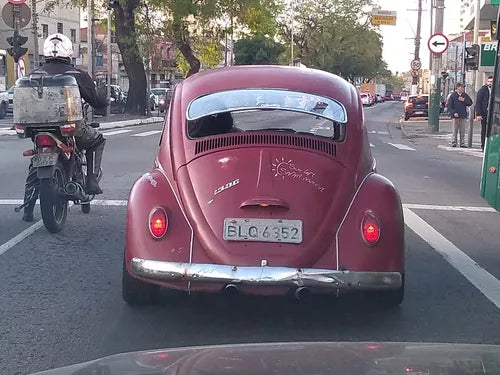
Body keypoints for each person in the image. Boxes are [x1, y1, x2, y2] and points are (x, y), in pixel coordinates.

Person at [22, 33, 108, 222]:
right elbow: (96, 101)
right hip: (71, 128)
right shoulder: (77, 75)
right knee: (97, 141)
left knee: (37, 157)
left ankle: (27, 207)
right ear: (69, 51)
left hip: (37, 129)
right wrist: (103, 101)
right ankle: (92, 181)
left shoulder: (33, 75)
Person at [447, 83, 473, 148]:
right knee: (455, 130)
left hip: (463, 115)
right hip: (455, 115)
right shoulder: (453, 96)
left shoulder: (464, 95)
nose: (462, 89)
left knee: (462, 130)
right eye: (460, 88)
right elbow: (450, 106)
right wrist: (453, 113)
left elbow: (470, 102)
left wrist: (464, 100)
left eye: (462, 88)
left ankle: (462, 143)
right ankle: (454, 142)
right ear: (457, 88)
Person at [475, 76, 493, 150]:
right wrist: (478, 114)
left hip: (493, 113)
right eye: (489, 81)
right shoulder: (482, 90)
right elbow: (478, 103)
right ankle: (484, 146)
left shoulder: (496, 90)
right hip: (484, 113)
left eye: (491, 82)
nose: (490, 83)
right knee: (484, 130)